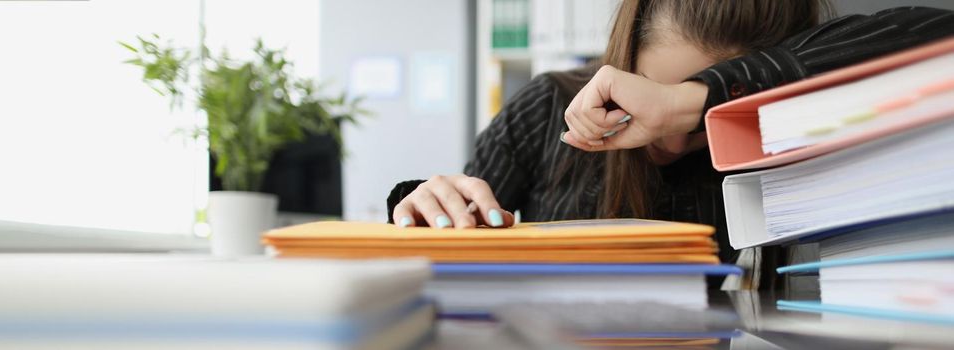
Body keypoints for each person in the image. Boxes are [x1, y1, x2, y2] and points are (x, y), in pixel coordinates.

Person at [386, 0, 954, 286]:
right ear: (623, 60)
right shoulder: (546, 105)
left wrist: (697, 97)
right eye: (653, 94)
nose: (674, 135)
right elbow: (459, 237)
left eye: (705, 112)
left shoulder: (803, 128)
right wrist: (426, 201)